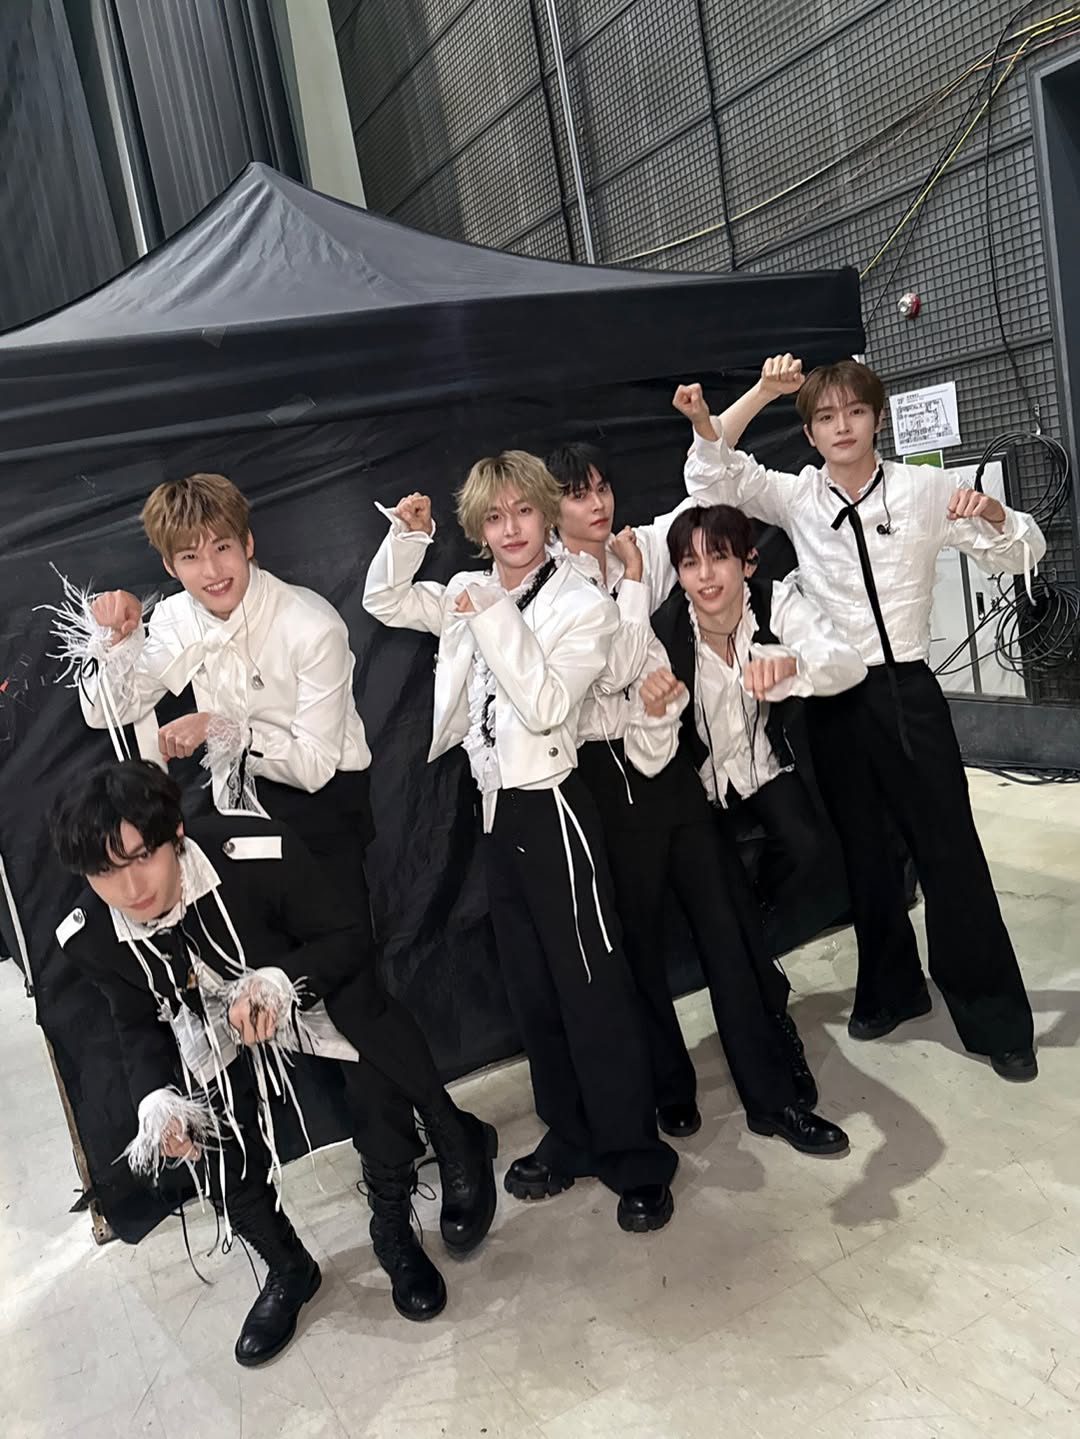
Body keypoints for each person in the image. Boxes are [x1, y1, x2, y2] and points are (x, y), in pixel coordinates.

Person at [51, 759, 498, 1363]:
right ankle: (288, 1268)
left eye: (142, 857)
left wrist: (281, 982)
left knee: (374, 1078)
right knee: (211, 1142)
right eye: (105, 871)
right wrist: (156, 1100)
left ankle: (394, 1230)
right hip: (206, 1019)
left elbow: (346, 937)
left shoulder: (253, 854)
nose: (131, 889)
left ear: (175, 833)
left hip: (299, 986)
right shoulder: (89, 936)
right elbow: (136, 1020)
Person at [674, 355, 1044, 1080]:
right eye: (825, 416)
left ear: (876, 418)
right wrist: (761, 392)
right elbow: (710, 478)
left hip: (909, 695)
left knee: (950, 853)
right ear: (810, 433)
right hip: (833, 698)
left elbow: (1022, 550)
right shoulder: (796, 496)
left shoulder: (924, 489)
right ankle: (892, 988)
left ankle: (995, 1014)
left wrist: (996, 514)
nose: (841, 426)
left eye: (854, 411)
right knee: (864, 855)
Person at [363, 451, 679, 1232]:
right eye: (494, 516)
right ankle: (571, 1136)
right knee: (534, 993)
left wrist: (488, 612)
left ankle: (636, 1157)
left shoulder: (583, 604)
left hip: (555, 807)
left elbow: (543, 704)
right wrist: (409, 537)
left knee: (593, 989)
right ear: (478, 526)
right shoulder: (470, 590)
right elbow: (385, 599)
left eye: (524, 511)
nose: (510, 529)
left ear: (545, 514)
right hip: (497, 813)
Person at [547, 443, 848, 1156]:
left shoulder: (639, 549)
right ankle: (668, 1083)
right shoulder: (550, 586)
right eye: (577, 494)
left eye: (602, 487)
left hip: (670, 771)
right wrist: (633, 592)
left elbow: (705, 494)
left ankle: (772, 1100)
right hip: (603, 777)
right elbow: (602, 674)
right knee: (638, 944)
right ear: (550, 509)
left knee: (728, 935)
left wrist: (719, 418)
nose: (597, 503)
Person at [69, 471, 370, 894]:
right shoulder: (177, 616)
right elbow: (106, 712)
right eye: (190, 556)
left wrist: (216, 727)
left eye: (222, 547)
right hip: (234, 809)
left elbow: (315, 767)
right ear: (170, 565)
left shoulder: (313, 627)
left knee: (331, 933)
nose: (212, 571)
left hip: (321, 810)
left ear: (247, 543)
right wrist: (119, 639)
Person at [649, 502, 866, 929]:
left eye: (718, 558)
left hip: (763, 767)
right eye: (690, 564)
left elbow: (848, 664)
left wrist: (794, 666)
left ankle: (763, 903)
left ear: (747, 562)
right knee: (710, 883)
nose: (705, 575)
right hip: (697, 779)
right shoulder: (664, 630)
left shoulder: (774, 602)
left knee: (805, 846)